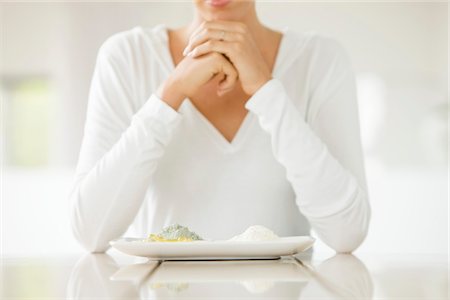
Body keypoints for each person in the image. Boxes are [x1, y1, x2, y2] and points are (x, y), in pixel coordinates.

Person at [69, 0, 371, 253]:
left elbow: (347, 233)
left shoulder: (320, 61)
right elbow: (91, 233)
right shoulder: (127, 57)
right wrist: (171, 93)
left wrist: (267, 93)